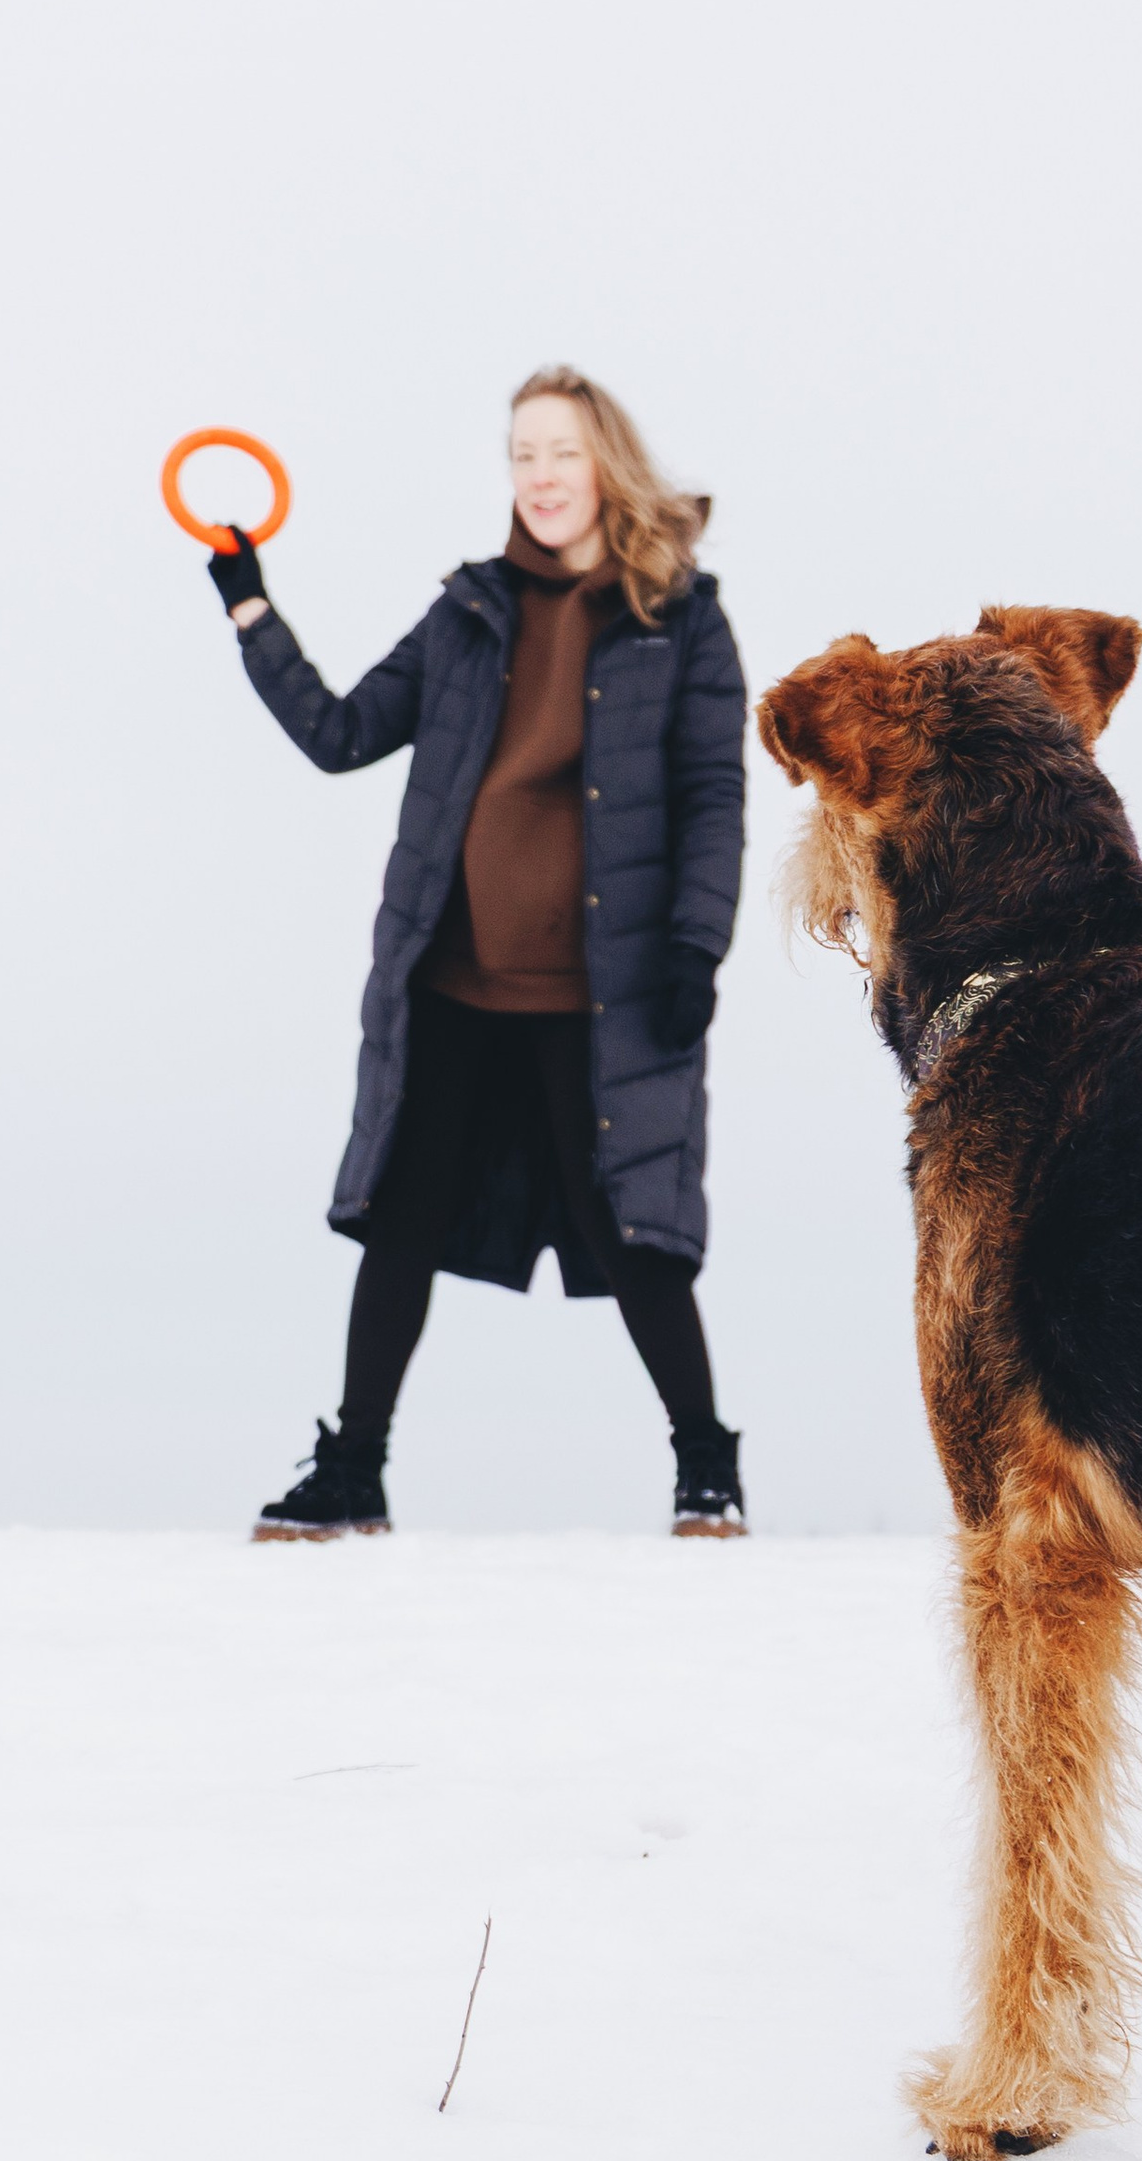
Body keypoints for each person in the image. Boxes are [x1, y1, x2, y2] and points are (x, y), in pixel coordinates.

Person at [212, 369, 750, 1539]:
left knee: (630, 1223)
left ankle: (706, 1469)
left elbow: (714, 793)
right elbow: (343, 732)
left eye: (562, 452)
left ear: (606, 465)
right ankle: (354, 1470)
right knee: (402, 1216)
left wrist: (697, 944)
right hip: (452, 977)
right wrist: (252, 610)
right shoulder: (469, 613)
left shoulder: (680, 619)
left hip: (600, 990)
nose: (540, 477)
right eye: (521, 454)